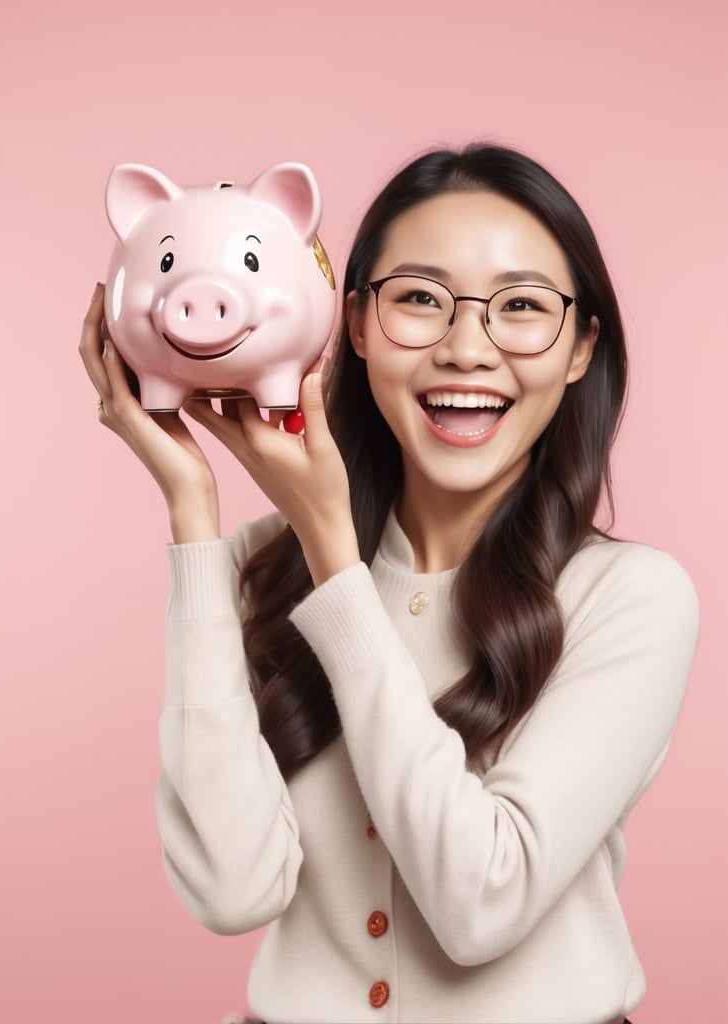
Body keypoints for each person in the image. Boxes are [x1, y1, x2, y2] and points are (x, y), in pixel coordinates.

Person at [80, 144, 699, 1024]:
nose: (465, 348)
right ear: (357, 324)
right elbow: (230, 891)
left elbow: (480, 902)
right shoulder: (255, 565)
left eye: (521, 307)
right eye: (419, 299)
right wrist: (192, 512)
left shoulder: (631, 598)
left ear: (578, 348)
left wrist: (334, 562)